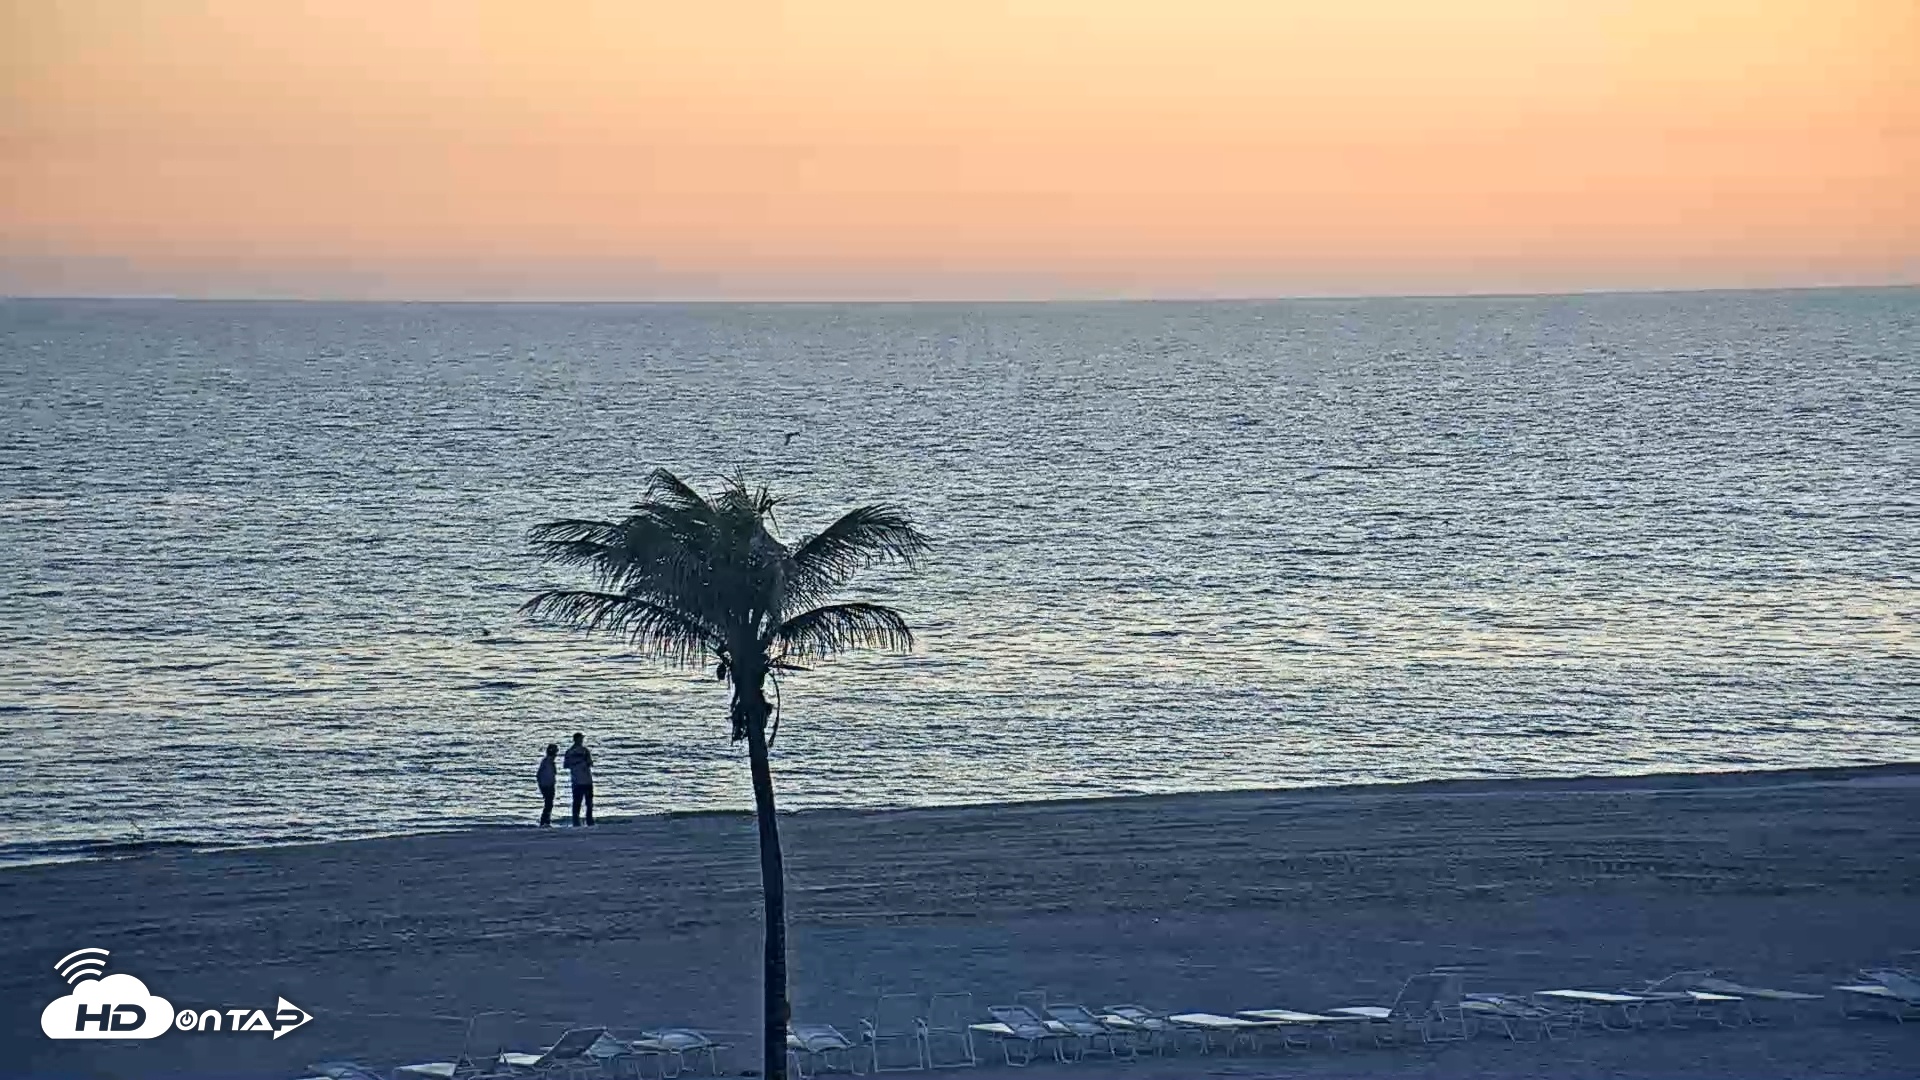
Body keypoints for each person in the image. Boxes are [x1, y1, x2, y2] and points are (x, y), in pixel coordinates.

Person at [564, 732, 594, 826]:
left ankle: (583, 821)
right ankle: (581, 822)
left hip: (583, 780)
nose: (582, 740)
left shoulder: (582, 751)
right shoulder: (575, 751)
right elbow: (566, 765)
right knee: (581, 803)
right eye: (581, 739)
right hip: (580, 781)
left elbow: (566, 765)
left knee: (585, 803)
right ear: (576, 739)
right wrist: (580, 762)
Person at [535, 743, 558, 827]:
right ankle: (544, 821)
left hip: (549, 785)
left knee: (549, 804)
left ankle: (546, 821)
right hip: (546, 785)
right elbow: (539, 774)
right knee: (548, 804)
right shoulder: (547, 761)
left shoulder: (550, 762)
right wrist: (542, 785)